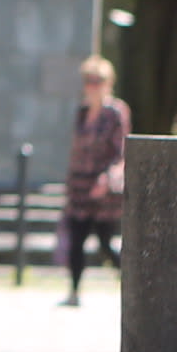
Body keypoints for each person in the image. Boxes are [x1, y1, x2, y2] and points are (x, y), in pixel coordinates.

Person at [58, 54, 127, 307]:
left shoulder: (115, 113)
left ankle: (133, 282)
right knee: (76, 239)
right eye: (89, 80)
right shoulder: (82, 112)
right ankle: (74, 291)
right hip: (79, 185)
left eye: (98, 80)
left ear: (108, 83)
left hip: (102, 189)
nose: (92, 86)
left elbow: (121, 152)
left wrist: (107, 179)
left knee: (105, 244)